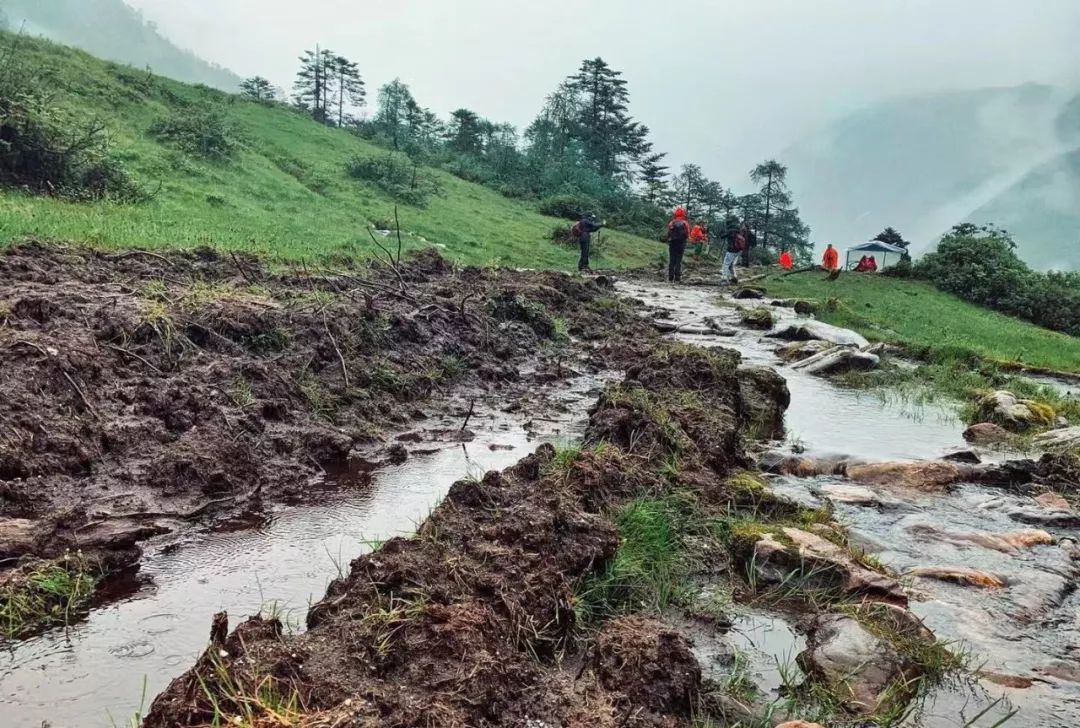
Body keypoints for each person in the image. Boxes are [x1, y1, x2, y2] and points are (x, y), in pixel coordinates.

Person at [666, 207, 691, 283]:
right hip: (681, 243)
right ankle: (677, 278)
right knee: (678, 261)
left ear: (675, 214)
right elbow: (687, 233)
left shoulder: (672, 222)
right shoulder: (685, 223)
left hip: (673, 243)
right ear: (683, 214)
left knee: (672, 260)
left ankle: (670, 278)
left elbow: (669, 232)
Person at [721, 218, 745, 284]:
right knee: (731, 265)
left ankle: (725, 279)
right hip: (739, 250)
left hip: (731, 250)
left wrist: (722, 231)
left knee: (726, 264)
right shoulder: (738, 229)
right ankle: (734, 277)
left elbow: (722, 236)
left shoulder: (730, 230)